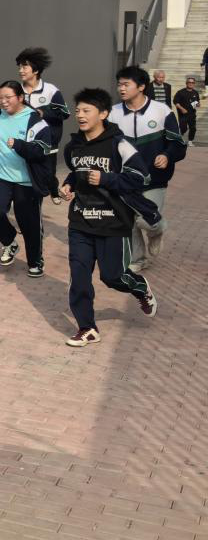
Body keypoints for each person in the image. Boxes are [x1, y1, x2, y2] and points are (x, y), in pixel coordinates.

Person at [59, 88, 158, 346]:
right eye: (78, 111)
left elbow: (141, 177)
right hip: (80, 222)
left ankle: (139, 287)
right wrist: (69, 184)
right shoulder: (74, 147)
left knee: (112, 277)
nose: (80, 115)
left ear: (103, 114)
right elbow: (76, 172)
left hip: (113, 222)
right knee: (79, 277)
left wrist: (106, 178)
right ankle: (87, 328)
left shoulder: (119, 144)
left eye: (87, 110)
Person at [0, 81, 57, 276]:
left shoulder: (36, 121)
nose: (3, 102)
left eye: (8, 97)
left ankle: (35, 261)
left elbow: (43, 151)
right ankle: (9, 241)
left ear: (20, 98)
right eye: (0, 98)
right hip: (0, 175)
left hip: (26, 181)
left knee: (29, 224)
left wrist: (19, 145)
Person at [112, 66, 186, 271]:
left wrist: (167, 155)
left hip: (155, 178)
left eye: (126, 84)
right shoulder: (113, 113)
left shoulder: (162, 111)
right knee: (128, 220)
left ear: (141, 86)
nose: (121, 88)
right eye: (119, 84)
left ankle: (157, 231)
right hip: (125, 178)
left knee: (146, 220)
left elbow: (178, 144)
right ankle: (138, 259)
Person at [16, 47, 69, 202]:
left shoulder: (51, 90)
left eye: (24, 67)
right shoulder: (16, 90)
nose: (20, 70)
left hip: (47, 142)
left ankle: (53, 189)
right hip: (24, 141)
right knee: (29, 175)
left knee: (48, 173)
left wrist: (43, 112)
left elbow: (64, 113)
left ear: (36, 70)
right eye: (19, 67)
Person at [174, 76, 200, 143]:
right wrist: (182, 109)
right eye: (189, 82)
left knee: (193, 128)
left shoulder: (195, 92)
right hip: (183, 114)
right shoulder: (180, 92)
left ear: (194, 84)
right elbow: (176, 102)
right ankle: (181, 135)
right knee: (183, 128)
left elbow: (197, 101)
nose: (191, 84)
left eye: (192, 82)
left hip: (192, 114)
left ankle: (190, 141)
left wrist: (198, 104)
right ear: (186, 83)